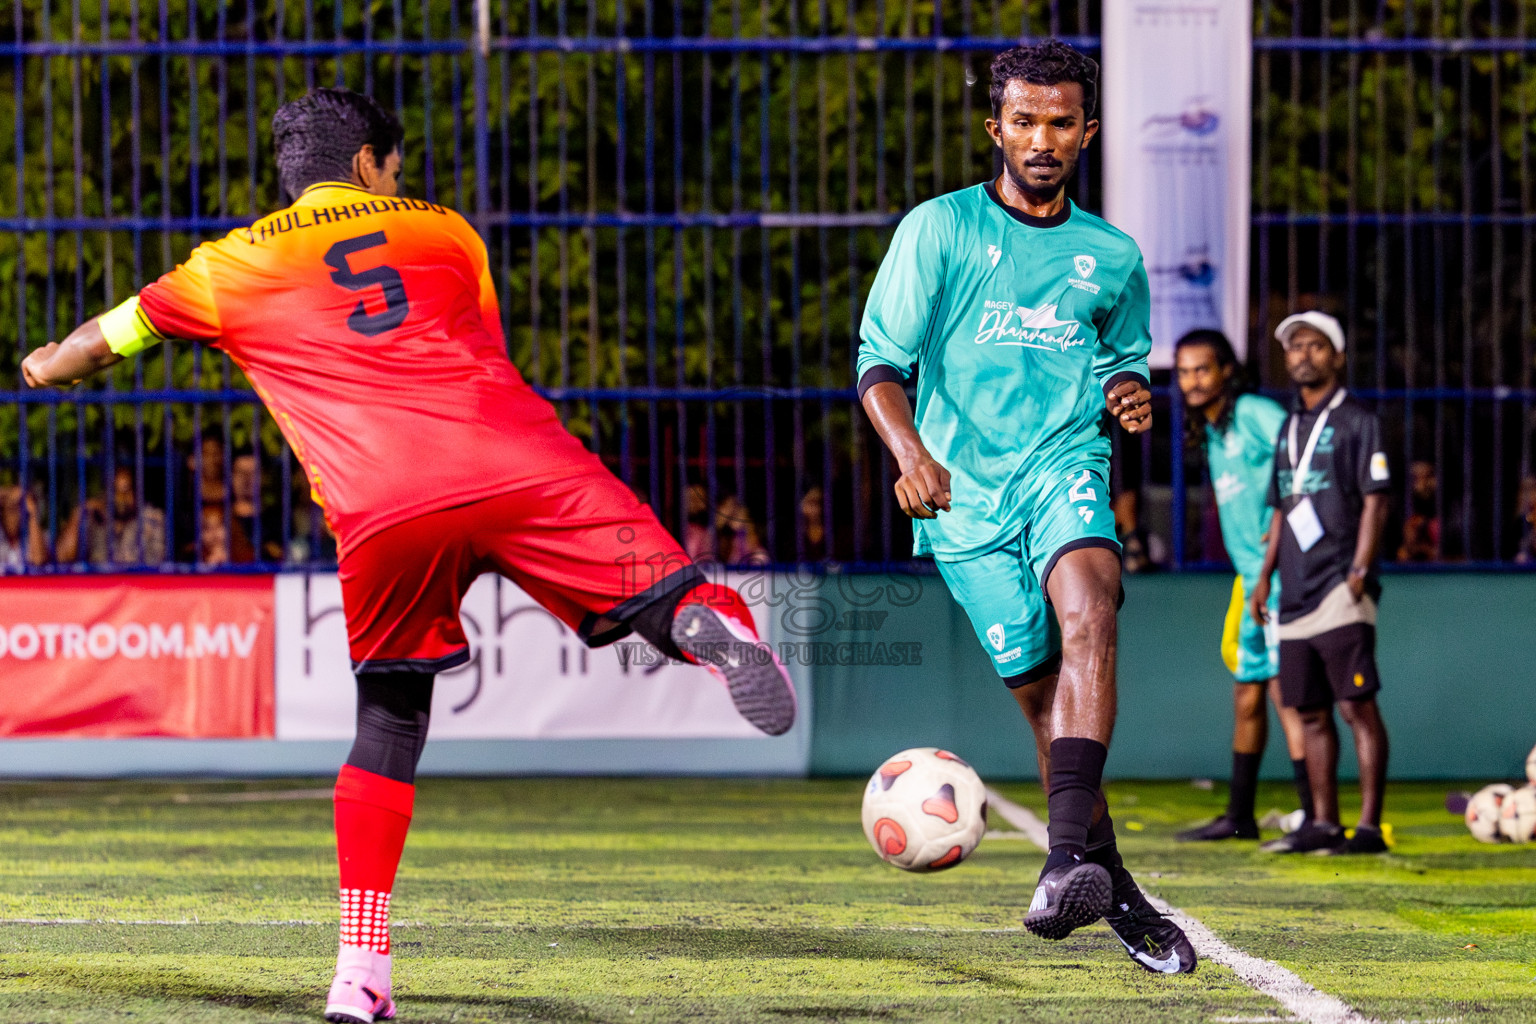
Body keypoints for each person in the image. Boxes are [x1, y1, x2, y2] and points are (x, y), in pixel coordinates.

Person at [21, 87, 797, 1024]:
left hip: (383, 505)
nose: (401, 178)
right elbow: (486, 350)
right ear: (368, 166)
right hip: (516, 459)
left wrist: (43, 364)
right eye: (395, 164)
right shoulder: (449, 232)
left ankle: (361, 976)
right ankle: (712, 629)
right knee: (669, 590)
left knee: (388, 723)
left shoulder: (229, 264)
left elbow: (98, 345)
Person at [858, 41, 1194, 973]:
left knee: (1093, 603)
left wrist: (1129, 393)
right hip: (962, 499)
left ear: (1086, 131)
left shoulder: (1111, 255)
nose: (1041, 139)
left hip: (1064, 463)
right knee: (1044, 703)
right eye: (1024, 121)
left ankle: (1057, 864)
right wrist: (912, 452)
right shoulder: (941, 230)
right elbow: (879, 362)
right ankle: (1112, 888)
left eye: (1060, 122)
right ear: (994, 128)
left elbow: (1123, 356)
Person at [1249, 311, 1392, 856]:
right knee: (1307, 710)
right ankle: (1324, 823)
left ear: (1337, 356)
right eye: (1294, 347)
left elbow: (1376, 497)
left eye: (1314, 345)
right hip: (1294, 591)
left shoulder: (1358, 420)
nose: (1302, 355)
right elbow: (1283, 509)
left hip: (1339, 585)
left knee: (1356, 706)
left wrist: (1359, 570)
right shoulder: (1289, 427)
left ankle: (1370, 828)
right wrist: (1265, 579)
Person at [1172, 329, 1311, 842]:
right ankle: (1239, 817)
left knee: (1284, 695)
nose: (1192, 381)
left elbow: (1302, 454)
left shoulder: (1252, 412)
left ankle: (1314, 819)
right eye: (1184, 371)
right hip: (1249, 581)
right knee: (1247, 695)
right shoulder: (1211, 429)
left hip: (1279, 578)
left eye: (1202, 369)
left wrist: (1282, 533)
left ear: (1226, 370)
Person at [57, 466, 168, 566]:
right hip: (99, 586)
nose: (121, 498)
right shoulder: (94, 517)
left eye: (126, 491)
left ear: (136, 493)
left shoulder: (152, 518)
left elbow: (161, 565)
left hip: (139, 585)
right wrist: (78, 513)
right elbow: (63, 557)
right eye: (116, 491)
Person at [1396, 460, 1441, 562]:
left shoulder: (1453, 512)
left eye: (1429, 476)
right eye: (1417, 478)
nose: (1423, 484)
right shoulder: (1400, 511)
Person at [0, 484, 48, 570]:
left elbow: (39, 559)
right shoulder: (2, 537)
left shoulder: (36, 536)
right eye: (13, 508)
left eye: (22, 508)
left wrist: (32, 514)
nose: (18, 515)